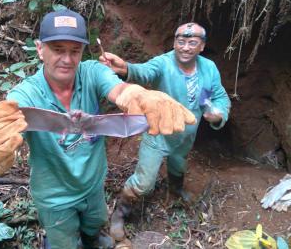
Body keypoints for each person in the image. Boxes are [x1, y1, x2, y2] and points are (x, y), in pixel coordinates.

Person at [0, 10, 196, 249]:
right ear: (40, 49)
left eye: (74, 50)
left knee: (95, 224)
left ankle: (91, 237)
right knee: (64, 243)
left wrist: (140, 95)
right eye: (58, 49)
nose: (67, 59)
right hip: (55, 197)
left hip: (93, 185)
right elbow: (11, 112)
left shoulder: (91, 73)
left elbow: (119, 90)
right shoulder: (28, 93)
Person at [99, 22, 231, 242]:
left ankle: (175, 191)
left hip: (186, 135)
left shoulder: (209, 68)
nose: (186, 47)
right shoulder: (164, 63)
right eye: (181, 41)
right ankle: (119, 215)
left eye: (192, 42)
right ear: (174, 42)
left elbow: (220, 97)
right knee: (144, 183)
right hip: (157, 133)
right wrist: (126, 69)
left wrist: (219, 113)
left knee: (178, 163)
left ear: (202, 46)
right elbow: (145, 72)